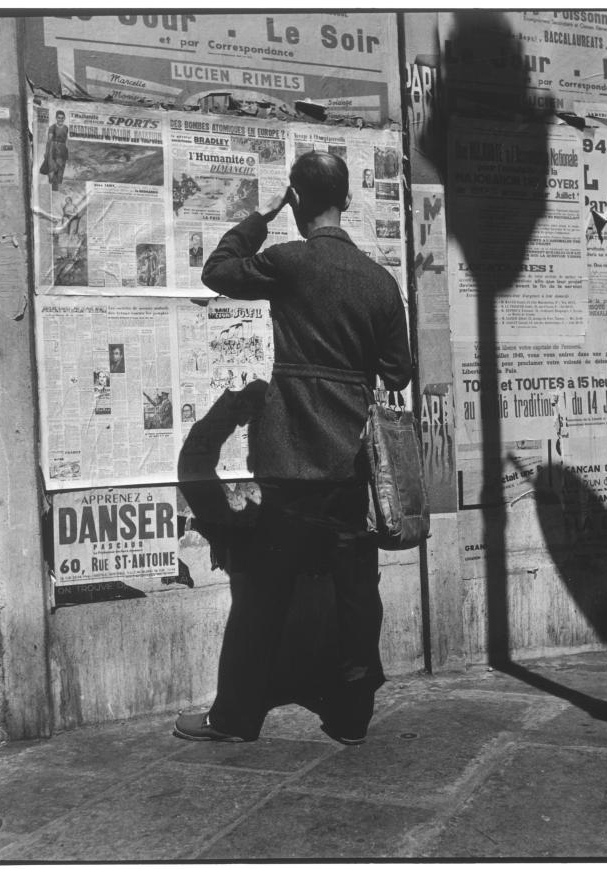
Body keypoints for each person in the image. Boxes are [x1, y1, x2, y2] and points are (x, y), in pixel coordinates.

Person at [174, 151, 411, 745]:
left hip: (288, 460)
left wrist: (262, 217)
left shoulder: (288, 260)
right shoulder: (380, 282)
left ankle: (235, 719)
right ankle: (353, 717)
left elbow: (218, 271)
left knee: (262, 597)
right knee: (357, 594)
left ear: (299, 203)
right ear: (349, 199)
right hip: (350, 467)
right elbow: (399, 372)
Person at [44, 110, 69, 191]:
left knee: (61, 170)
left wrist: (66, 151)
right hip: (53, 149)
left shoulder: (66, 128)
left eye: (62, 118)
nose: (60, 119)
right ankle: (51, 188)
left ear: (64, 118)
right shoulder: (52, 127)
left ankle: (57, 190)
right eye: (59, 118)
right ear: (56, 118)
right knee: (52, 170)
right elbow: (49, 140)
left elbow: (66, 140)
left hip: (62, 150)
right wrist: (47, 152)